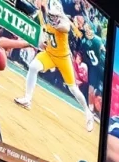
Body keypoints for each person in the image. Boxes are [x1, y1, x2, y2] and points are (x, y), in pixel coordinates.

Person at [14, 0, 96, 132]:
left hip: (63, 58)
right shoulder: (45, 15)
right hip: (50, 54)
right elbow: (43, 30)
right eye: (52, 14)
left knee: (73, 89)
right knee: (34, 66)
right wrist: (42, 41)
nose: (53, 17)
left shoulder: (63, 22)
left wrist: (56, 23)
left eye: (55, 15)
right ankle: (27, 99)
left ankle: (88, 113)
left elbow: (65, 28)